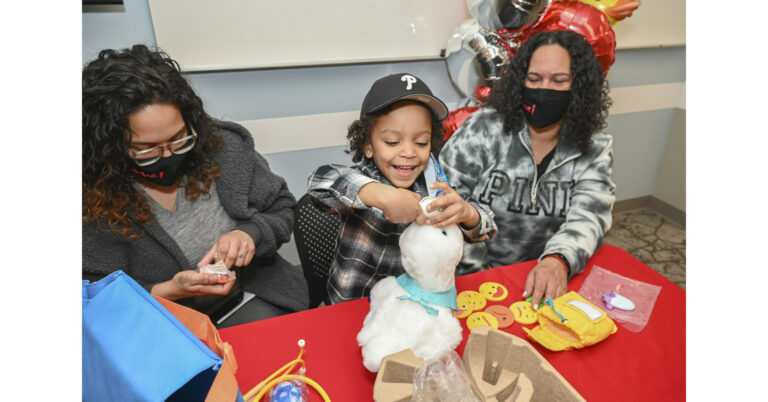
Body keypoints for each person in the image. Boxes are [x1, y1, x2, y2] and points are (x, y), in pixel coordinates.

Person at [82, 44, 308, 327]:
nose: (168, 155)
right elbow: (94, 295)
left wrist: (250, 233)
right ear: (108, 147)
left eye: (179, 139)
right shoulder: (92, 197)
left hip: (251, 298)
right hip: (157, 324)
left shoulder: (224, 149)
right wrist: (167, 292)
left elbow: (282, 207)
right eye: (146, 149)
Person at [439, 30, 615, 310]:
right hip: (471, 280)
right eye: (534, 79)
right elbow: (446, 207)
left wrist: (558, 260)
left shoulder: (593, 148)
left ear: (578, 87)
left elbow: (589, 218)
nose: (544, 89)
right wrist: (481, 279)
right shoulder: (484, 128)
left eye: (559, 81)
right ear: (520, 82)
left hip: (543, 280)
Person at [307, 73, 496, 304]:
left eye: (420, 142)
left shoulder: (435, 185)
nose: (408, 152)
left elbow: (487, 227)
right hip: (355, 307)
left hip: (416, 308)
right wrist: (377, 194)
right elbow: (320, 182)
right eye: (392, 142)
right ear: (368, 145)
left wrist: (468, 213)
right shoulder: (364, 178)